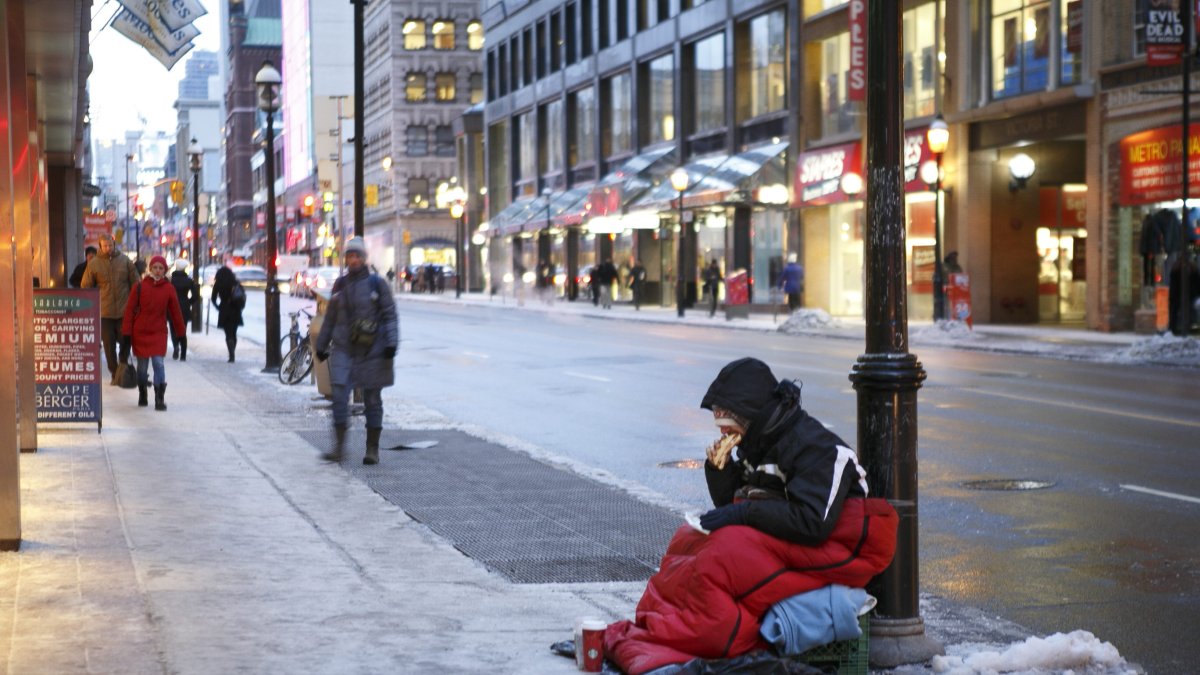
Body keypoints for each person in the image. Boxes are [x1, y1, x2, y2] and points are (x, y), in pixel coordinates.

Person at [603, 357, 898, 673]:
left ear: (750, 414)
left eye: (727, 420)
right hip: (791, 536)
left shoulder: (816, 447)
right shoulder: (757, 446)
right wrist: (720, 469)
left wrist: (743, 513)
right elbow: (731, 506)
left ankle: (713, 637)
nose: (723, 430)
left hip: (840, 544)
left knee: (721, 557)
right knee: (688, 539)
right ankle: (660, 627)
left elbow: (814, 522)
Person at [314, 237, 399, 465]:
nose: (353, 260)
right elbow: (330, 318)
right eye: (349, 256)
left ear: (363, 259)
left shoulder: (377, 284)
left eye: (357, 256)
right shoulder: (339, 285)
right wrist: (321, 345)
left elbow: (390, 315)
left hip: (372, 349)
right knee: (339, 395)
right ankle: (339, 447)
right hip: (344, 348)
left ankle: (372, 449)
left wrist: (391, 344)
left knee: (372, 398)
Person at [121, 256, 185, 411]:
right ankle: (143, 392)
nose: (157, 271)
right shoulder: (139, 287)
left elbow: (176, 312)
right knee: (142, 369)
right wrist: (126, 334)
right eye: (155, 267)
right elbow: (129, 312)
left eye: (161, 268)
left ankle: (159, 398)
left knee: (158, 363)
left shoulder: (169, 289)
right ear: (150, 269)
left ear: (165, 271)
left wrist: (181, 334)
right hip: (140, 333)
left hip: (158, 332)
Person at [81, 233, 140, 385]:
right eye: (105, 246)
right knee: (108, 345)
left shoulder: (125, 260)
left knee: (126, 341)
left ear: (114, 244)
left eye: (110, 245)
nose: (108, 248)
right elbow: (85, 285)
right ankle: (114, 372)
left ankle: (123, 365)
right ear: (100, 246)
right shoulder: (93, 264)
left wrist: (135, 301)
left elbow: (135, 281)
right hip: (105, 312)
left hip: (124, 311)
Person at [211, 265, 245, 363]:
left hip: (224, 309)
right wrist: (240, 306)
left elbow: (213, 298)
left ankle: (231, 355)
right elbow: (242, 296)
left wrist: (218, 307)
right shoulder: (235, 283)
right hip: (235, 309)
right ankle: (232, 350)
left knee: (228, 333)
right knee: (234, 332)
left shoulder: (218, 284)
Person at [169, 260, 198, 360]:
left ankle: (176, 346)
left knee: (173, 329)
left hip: (172, 307)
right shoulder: (189, 280)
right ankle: (183, 355)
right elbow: (195, 295)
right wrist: (189, 302)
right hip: (184, 307)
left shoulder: (171, 280)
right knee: (182, 329)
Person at [1167, 252, 1199, 336]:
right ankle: (1176, 328)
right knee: (1178, 310)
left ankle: (1178, 328)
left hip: (1185, 294)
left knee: (1183, 310)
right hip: (1180, 294)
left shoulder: (1189, 268)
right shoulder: (1180, 268)